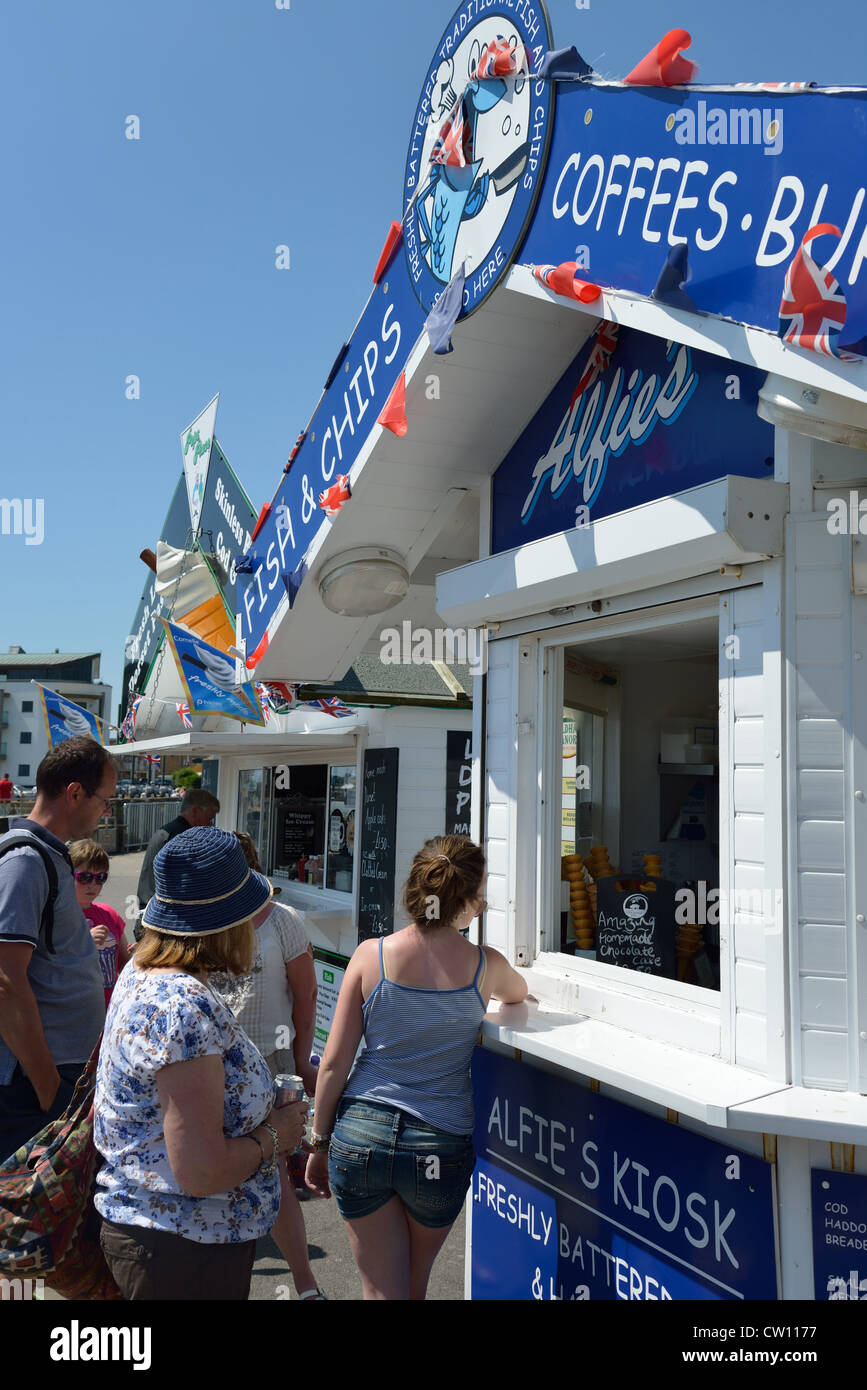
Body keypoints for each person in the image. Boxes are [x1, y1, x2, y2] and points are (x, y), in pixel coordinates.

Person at [305, 835, 528, 1300]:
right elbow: (518, 994)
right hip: (438, 1143)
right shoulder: (485, 966)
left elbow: (333, 1065)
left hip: (361, 1133)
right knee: (413, 1288)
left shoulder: (371, 955)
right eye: (480, 895)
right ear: (467, 901)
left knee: (380, 1291)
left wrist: (318, 1143)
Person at [94, 826, 307, 1301]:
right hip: (183, 1251)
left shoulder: (143, 968)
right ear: (229, 924)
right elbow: (200, 1171)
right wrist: (276, 1135)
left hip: (169, 1241)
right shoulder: (180, 1004)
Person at [210, 831, 324, 1300]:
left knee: (271, 1166)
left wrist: (300, 1057)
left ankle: (305, 1283)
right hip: (208, 1061)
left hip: (269, 1059)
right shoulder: (203, 920)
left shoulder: (283, 920)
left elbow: (307, 992)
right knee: (209, 1167)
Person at [0, 738, 115, 1162]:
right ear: (74, 793)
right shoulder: (26, 862)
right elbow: (6, 984)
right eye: (105, 800)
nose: (108, 812)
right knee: (26, 1222)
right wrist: (50, 1090)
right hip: (33, 1084)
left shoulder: (48, 857)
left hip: (52, 1075)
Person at [134, 788, 219, 935]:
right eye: (209, 818)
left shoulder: (167, 831)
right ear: (195, 810)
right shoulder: (183, 838)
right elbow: (185, 889)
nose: (211, 825)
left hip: (148, 918)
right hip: (161, 925)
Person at [69, 839, 131, 1008]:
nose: (93, 885)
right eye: (85, 877)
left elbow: (124, 963)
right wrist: (84, 941)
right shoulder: (58, 917)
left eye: (100, 878)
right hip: (75, 1010)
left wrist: (139, 954)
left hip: (111, 1006)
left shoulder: (109, 913)